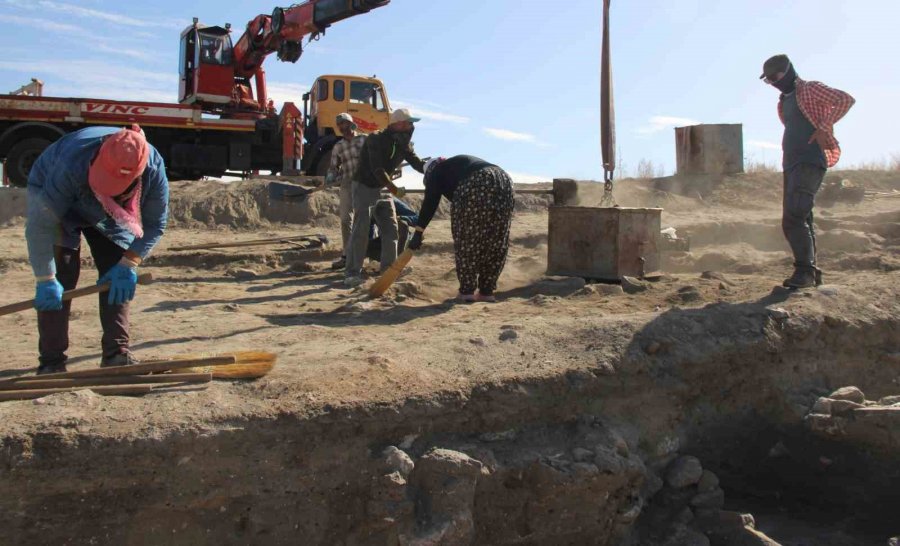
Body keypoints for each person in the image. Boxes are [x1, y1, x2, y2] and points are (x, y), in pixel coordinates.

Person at [26, 125, 169, 374]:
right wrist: (45, 278)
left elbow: (156, 224)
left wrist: (128, 264)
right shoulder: (70, 164)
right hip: (61, 199)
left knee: (116, 272)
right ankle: (51, 362)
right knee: (62, 273)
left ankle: (116, 355)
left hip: (113, 210)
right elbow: (40, 226)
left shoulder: (153, 168)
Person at [760, 54, 855, 288]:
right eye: (768, 80)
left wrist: (824, 127)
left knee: (794, 216)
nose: (773, 82)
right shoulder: (784, 100)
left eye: (776, 76)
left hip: (809, 160)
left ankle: (804, 273)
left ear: (789, 70)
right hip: (791, 163)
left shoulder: (809, 89)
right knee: (802, 218)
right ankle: (811, 272)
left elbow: (845, 99)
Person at [408, 155, 515, 302]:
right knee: (496, 237)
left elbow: (430, 202)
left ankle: (467, 292)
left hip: (476, 182)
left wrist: (418, 232)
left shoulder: (436, 172)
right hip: (504, 180)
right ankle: (486, 292)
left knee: (467, 238)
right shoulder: (455, 166)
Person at [345, 108, 425, 286]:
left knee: (391, 229)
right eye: (409, 123)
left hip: (383, 188)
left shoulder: (404, 144)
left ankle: (388, 270)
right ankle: (352, 272)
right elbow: (378, 169)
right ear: (398, 124)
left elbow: (417, 163)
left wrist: (432, 167)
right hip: (364, 186)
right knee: (361, 229)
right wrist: (394, 189)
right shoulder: (376, 139)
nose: (412, 127)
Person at [325, 113, 366, 269]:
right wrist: (330, 176)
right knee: (345, 220)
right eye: (340, 125)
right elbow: (333, 167)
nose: (343, 127)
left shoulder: (364, 140)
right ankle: (347, 256)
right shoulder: (338, 146)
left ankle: (365, 255)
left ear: (351, 124)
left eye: (345, 123)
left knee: (363, 219)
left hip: (363, 183)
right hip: (347, 183)